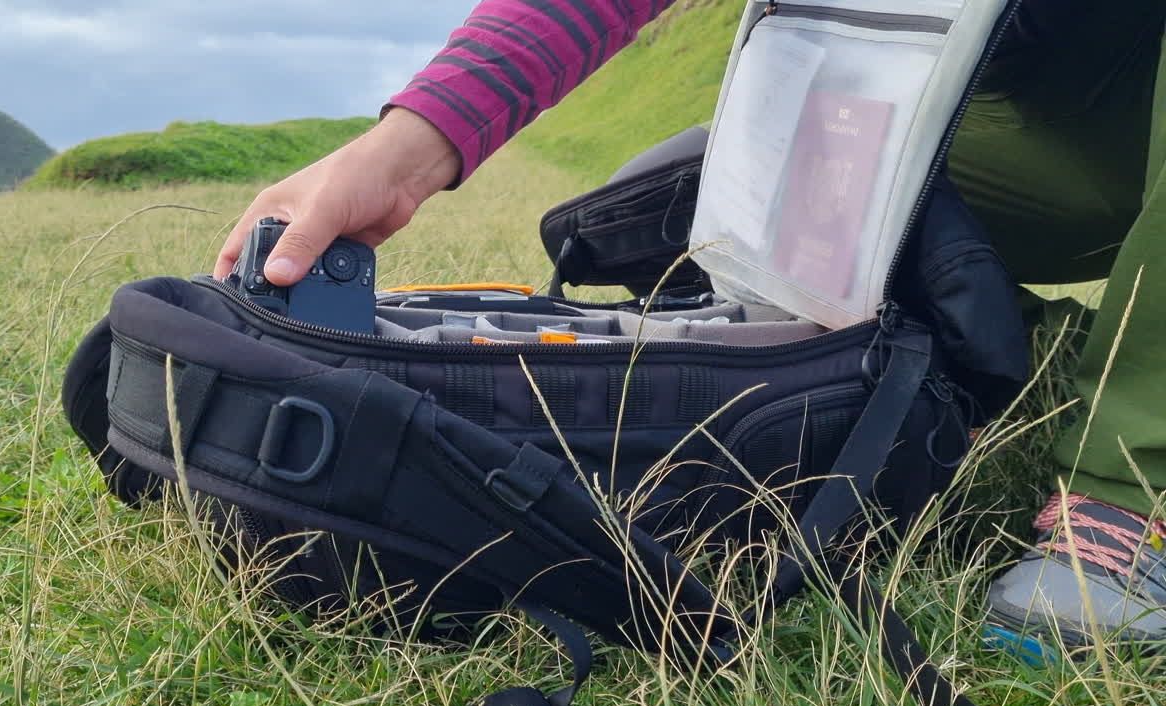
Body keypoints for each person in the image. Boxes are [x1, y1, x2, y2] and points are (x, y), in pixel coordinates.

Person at [213, 1, 1166, 655]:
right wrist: (408, 148)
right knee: (684, 188)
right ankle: (1025, 339)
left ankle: (1129, 490)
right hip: (995, 100)